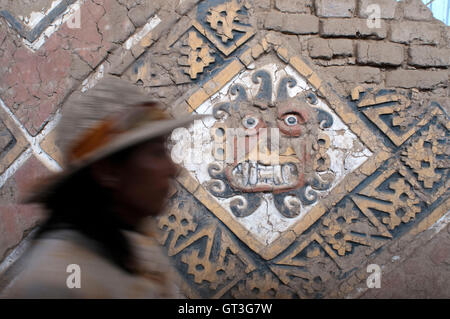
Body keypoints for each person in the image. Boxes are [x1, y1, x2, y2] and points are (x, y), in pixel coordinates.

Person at [1, 76, 203, 298]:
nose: (174, 169)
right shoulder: (63, 282)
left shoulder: (128, 241)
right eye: (157, 152)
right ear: (108, 171)